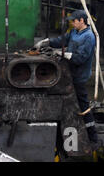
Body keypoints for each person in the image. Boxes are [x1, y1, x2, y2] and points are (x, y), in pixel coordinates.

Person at [34, 9, 100, 146]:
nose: (72, 23)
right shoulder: (75, 32)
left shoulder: (89, 37)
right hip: (69, 74)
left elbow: (80, 58)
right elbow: (61, 40)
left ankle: (93, 137)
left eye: (74, 21)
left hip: (79, 77)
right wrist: (46, 42)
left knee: (83, 107)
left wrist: (64, 54)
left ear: (82, 21)